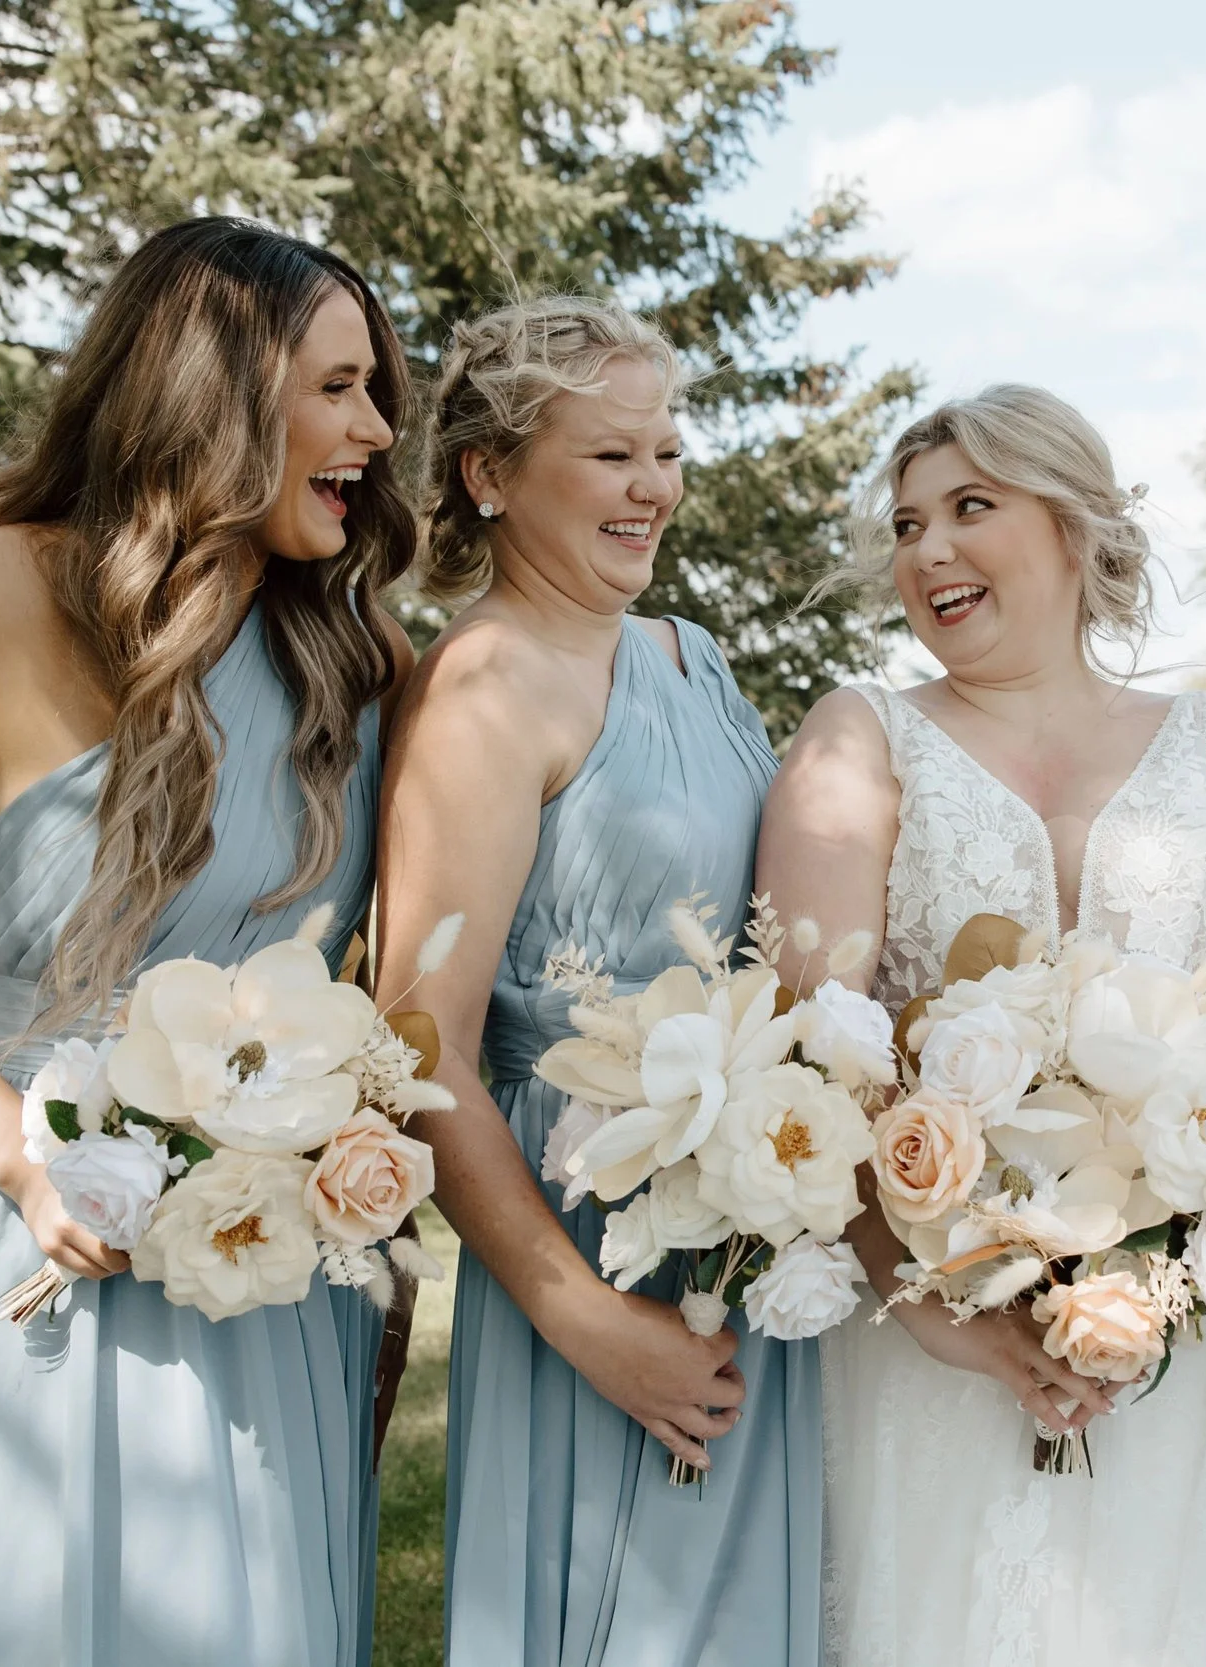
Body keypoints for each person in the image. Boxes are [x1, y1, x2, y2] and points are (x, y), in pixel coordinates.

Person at [0, 216, 415, 1667]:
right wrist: (24, 1156)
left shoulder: (355, 666)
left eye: (376, 387)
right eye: (338, 386)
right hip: (18, 1229)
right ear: (214, 386)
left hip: (265, 1268)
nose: (377, 430)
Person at [755, 384, 1206, 1666]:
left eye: (972, 508)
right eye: (907, 525)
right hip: (922, 1326)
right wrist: (944, 1307)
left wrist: (1157, 1278)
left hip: (1179, 1339)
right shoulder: (859, 738)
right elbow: (816, 1046)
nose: (928, 551)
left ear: (1076, 528)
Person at [372, 295, 815, 1666]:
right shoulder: (485, 686)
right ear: (489, 475)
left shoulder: (695, 656)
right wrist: (588, 1319)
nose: (655, 487)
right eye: (614, 454)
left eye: (669, 450)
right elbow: (418, 1036)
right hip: (585, 1234)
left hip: (747, 1220)